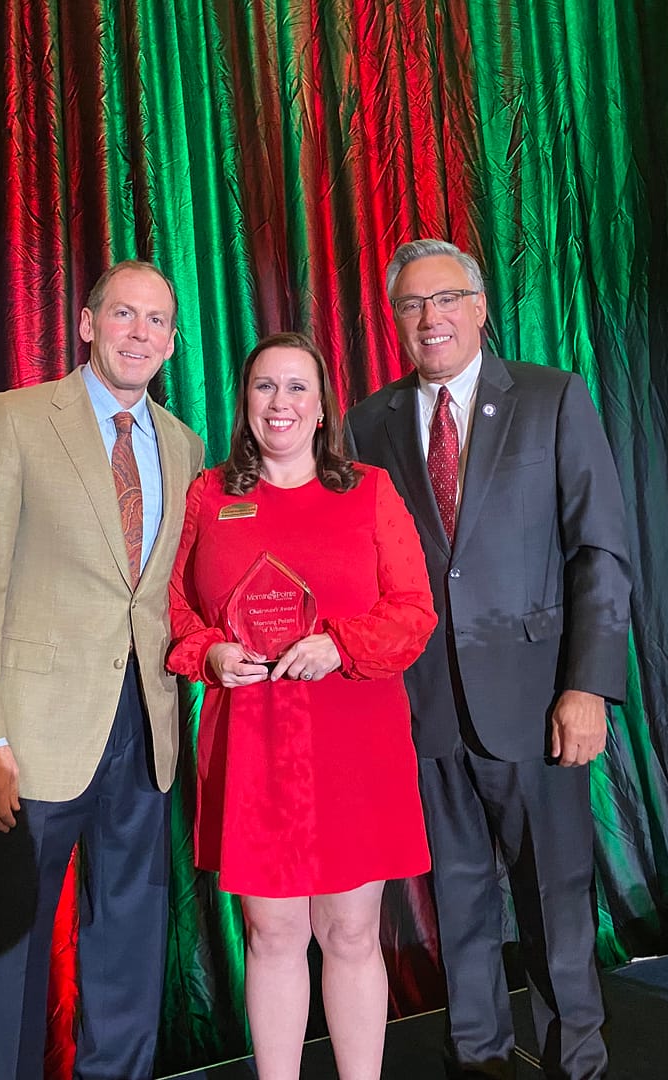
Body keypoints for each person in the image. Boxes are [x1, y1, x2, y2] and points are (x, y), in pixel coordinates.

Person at [346, 239, 632, 1080]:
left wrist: (587, 685)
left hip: (539, 701)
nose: (430, 318)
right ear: (395, 319)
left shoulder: (552, 398)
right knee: (459, 903)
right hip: (423, 709)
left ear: (479, 305)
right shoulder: (369, 422)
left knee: (555, 902)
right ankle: (475, 1057)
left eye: (446, 299)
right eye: (411, 304)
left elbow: (601, 553)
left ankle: (574, 1061)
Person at [0, 260, 205, 1079]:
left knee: (130, 934)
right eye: (123, 315)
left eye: (156, 321)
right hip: (32, 738)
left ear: (170, 342)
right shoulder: (14, 420)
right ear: (87, 324)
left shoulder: (184, 445)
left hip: (145, 725)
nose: (140, 334)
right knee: (10, 942)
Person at [166, 331, 437, 1080]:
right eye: (264, 387)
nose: (279, 403)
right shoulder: (210, 495)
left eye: (296, 388)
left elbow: (415, 610)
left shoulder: (371, 491)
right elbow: (172, 607)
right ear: (245, 401)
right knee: (272, 934)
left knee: (351, 935)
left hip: (355, 736)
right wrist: (209, 653)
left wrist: (340, 646)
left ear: (322, 408)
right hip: (253, 739)